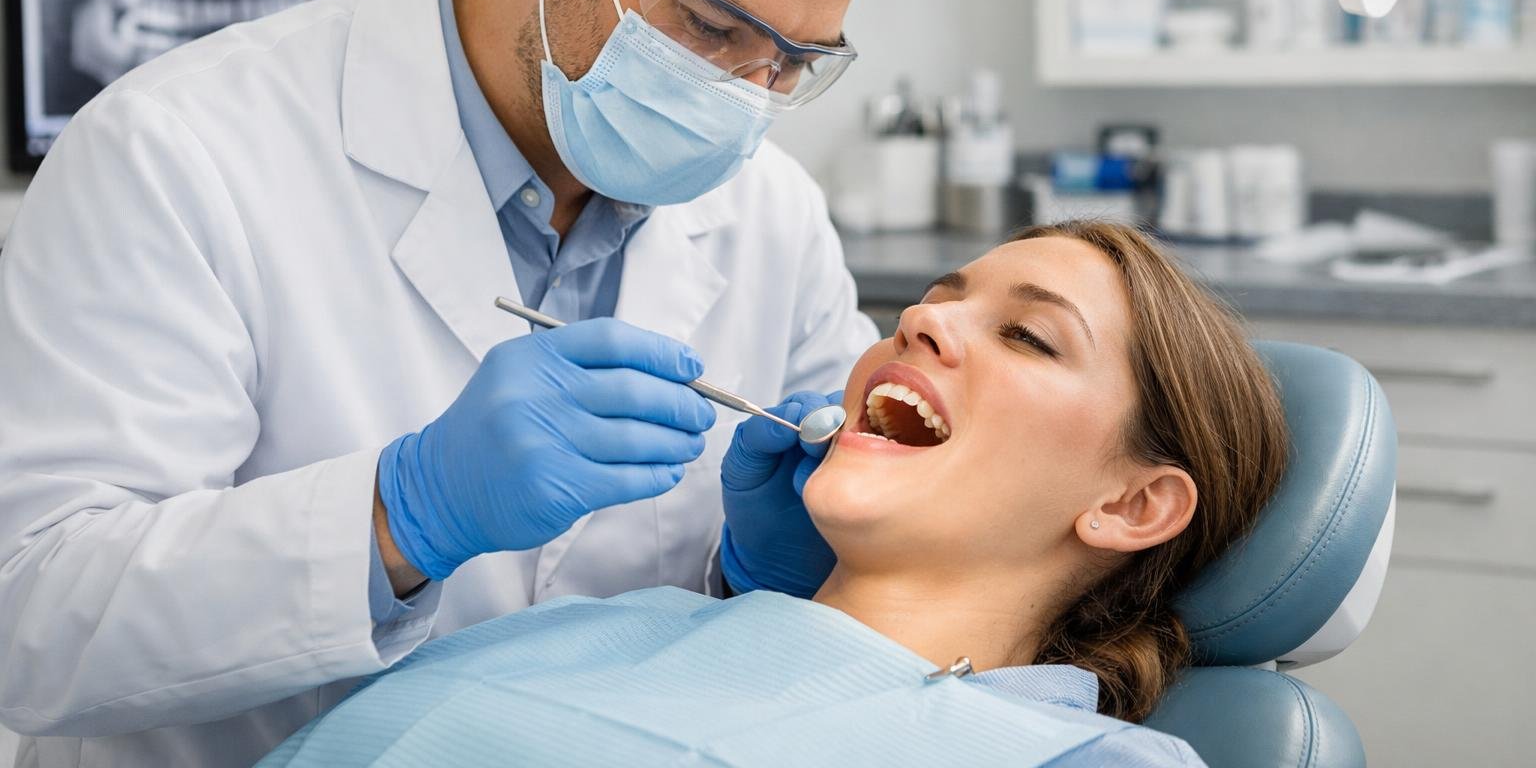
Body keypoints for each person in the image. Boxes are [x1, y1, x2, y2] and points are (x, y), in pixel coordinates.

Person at [0, 0, 928, 765]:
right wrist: (402, 514)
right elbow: (31, 619)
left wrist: (768, 574)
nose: (746, 102)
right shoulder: (176, 154)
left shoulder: (774, 218)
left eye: (793, 63)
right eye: (711, 28)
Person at [258, 222, 1292, 767]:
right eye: (938, 298)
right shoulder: (586, 631)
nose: (919, 325)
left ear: (1132, 505)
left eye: (1028, 335)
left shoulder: (1079, 761)